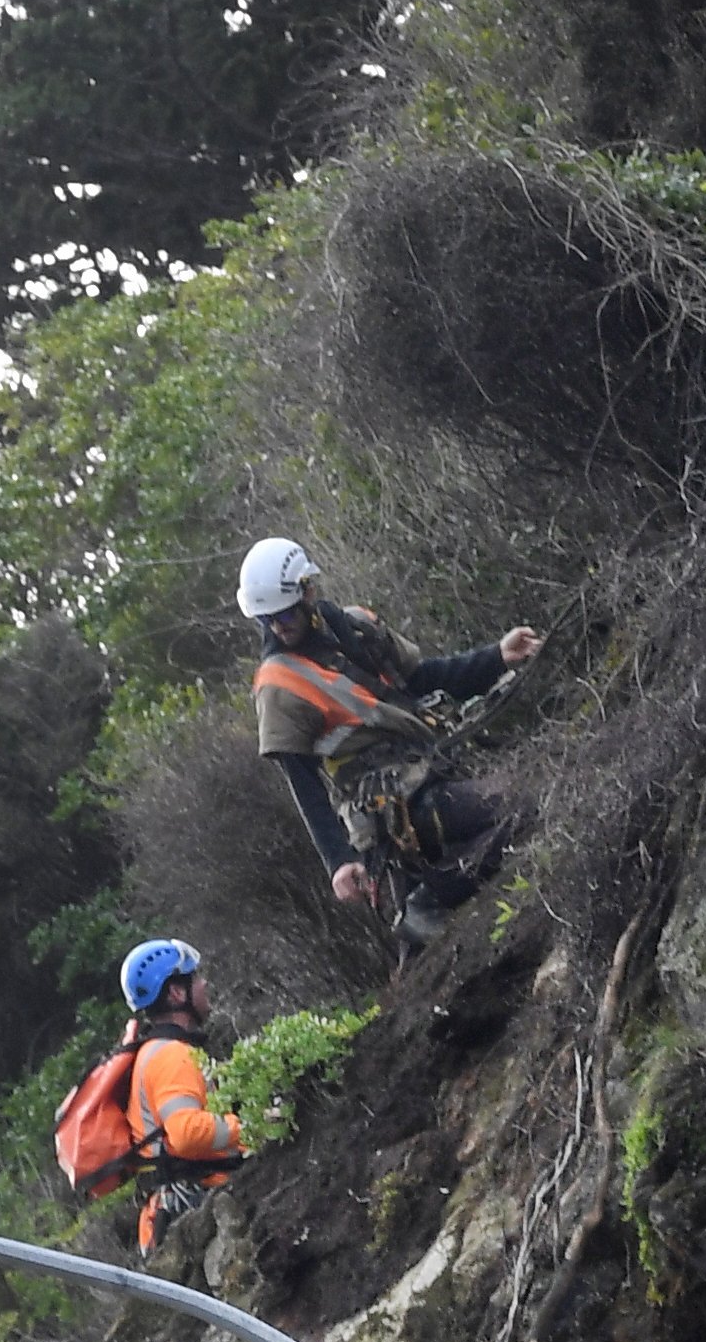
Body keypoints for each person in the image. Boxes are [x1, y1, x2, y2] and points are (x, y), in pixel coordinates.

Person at [238, 537, 544, 955]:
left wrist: (497, 657)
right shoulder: (278, 683)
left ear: (309, 589)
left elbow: (420, 678)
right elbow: (303, 782)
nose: (277, 627)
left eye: (285, 613)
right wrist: (339, 860)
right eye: (266, 619)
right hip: (394, 812)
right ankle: (431, 897)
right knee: (524, 806)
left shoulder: (357, 626)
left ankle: (432, 896)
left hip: (431, 774)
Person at [117, 937, 248, 1252]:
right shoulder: (172, 1056)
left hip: (176, 1211)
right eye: (195, 978)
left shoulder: (158, 1051)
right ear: (177, 993)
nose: (204, 984)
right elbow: (186, 1133)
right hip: (190, 1213)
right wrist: (250, 1127)